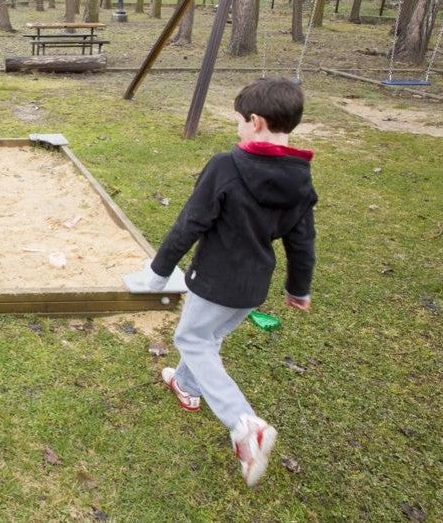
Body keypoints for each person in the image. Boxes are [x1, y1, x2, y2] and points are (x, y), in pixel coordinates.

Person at [127, 77, 317, 487]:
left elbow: (190, 223)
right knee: (209, 338)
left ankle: (243, 423)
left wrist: (158, 272)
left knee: (192, 339)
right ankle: (186, 385)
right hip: (252, 288)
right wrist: (298, 289)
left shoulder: (226, 166)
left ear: (257, 121)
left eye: (238, 121)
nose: (236, 129)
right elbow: (302, 241)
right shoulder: (300, 178)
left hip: (214, 280)